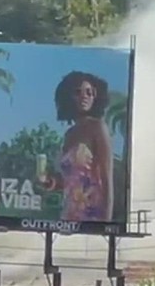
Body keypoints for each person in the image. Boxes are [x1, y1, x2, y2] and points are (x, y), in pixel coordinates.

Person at [46, 71, 114, 222]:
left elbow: (107, 179)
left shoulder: (98, 127)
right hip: (68, 216)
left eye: (90, 92)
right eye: (78, 92)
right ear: (68, 97)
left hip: (92, 214)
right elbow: (70, 181)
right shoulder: (69, 134)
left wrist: (106, 225)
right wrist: (50, 182)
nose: (85, 96)